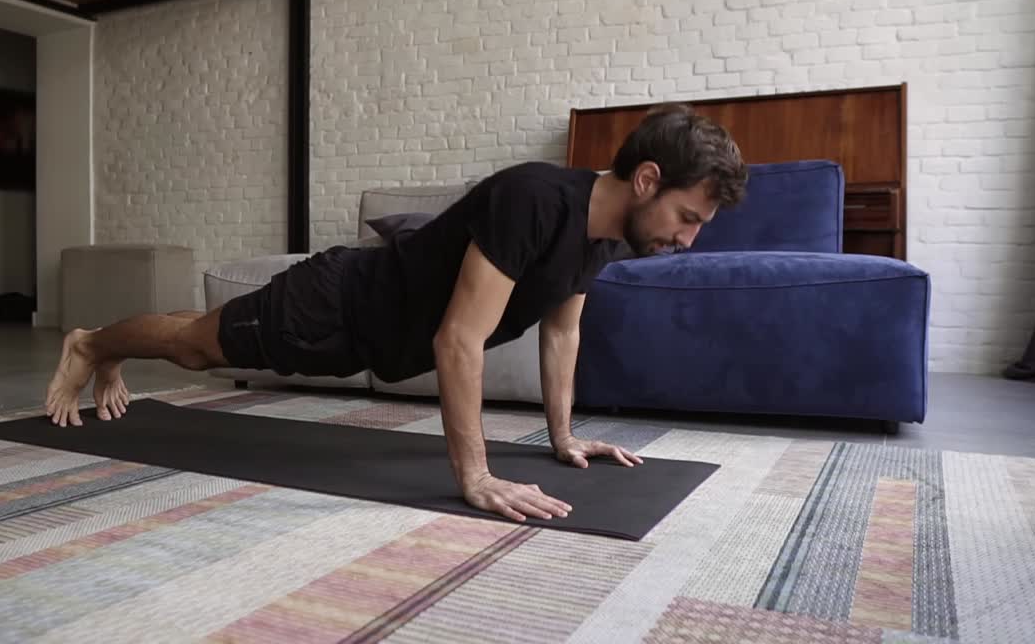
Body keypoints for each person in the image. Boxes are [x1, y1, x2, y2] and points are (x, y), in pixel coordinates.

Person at [42, 103, 748, 524]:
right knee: (197, 347)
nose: (686, 239)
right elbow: (458, 341)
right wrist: (474, 476)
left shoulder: (598, 241)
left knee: (197, 343)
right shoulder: (535, 199)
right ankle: (91, 343)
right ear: (647, 180)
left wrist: (563, 439)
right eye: (687, 217)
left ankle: (106, 348)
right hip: (334, 305)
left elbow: (562, 333)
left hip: (369, 338)